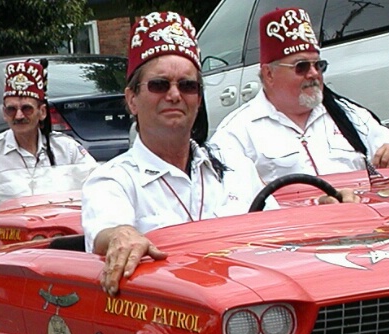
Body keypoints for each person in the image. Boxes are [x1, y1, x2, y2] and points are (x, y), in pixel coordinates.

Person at [81, 11, 356, 296]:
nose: (174, 95)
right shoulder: (111, 180)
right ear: (132, 100)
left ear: (198, 100)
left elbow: (277, 233)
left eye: (187, 86)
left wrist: (323, 213)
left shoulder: (236, 168)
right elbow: (106, 231)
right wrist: (121, 236)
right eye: (159, 85)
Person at [208, 7, 389, 184]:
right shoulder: (237, 133)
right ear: (268, 74)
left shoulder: (350, 117)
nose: (314, 74)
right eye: (301, 67)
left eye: (319, 65)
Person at [0, 59, 96, 226]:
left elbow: (100, 185)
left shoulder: (67, 148)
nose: (19, 116)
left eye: (27, 108)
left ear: (42, 112)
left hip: (63, 236)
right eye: (11, 109)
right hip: (9, 242)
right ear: (3, 113)